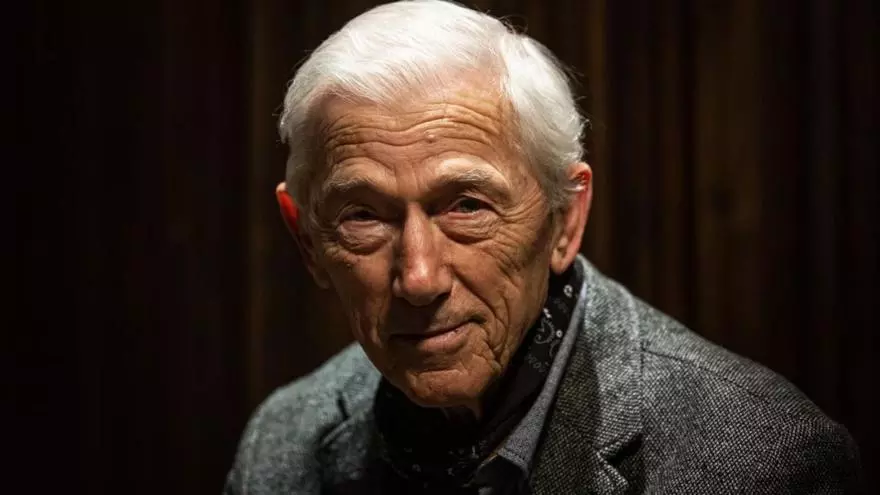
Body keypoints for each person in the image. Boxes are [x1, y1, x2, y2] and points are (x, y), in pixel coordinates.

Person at [224, 1, 861, 493]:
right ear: (306, 240)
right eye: (364, 216)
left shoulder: (763, 463)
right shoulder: (282, 445)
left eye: (467, 206)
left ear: (564, 219)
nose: (419, 277)